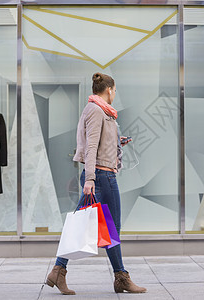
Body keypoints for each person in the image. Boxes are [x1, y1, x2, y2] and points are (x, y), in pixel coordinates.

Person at [46, 73, 146, 295]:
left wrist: (117, 142)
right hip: (101, 177)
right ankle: (120, 277)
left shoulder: (101, 111)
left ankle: (59, 270)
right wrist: (90, 179)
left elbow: (98, 142)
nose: (115, 94)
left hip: (100, 176)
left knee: (89, 226)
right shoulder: (96, 111)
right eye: (115, 90)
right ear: (109, 89)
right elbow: (91, 147)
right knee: (112, 229)